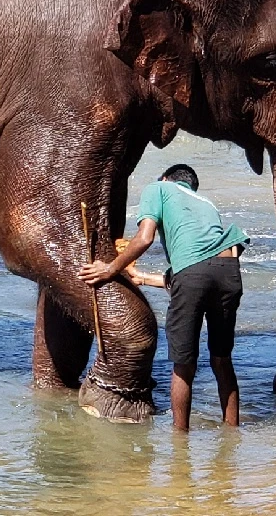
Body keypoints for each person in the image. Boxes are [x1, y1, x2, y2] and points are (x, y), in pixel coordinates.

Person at [78, 164, 248, 431]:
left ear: (167, 178)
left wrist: (111, 267)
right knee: (221, 360)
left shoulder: (158, 188)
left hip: (195, 274)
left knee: (184, 365)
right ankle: (232, 433)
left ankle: (180, 443)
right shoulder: (206, 203)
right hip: (228, 271)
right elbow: (199, 268)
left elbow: (145, 238)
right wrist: (144, 278)